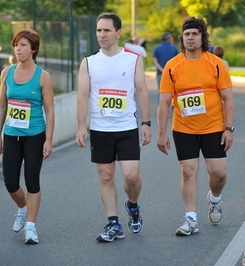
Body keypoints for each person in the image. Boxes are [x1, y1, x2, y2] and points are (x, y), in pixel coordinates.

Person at [75, 12, 151, 242]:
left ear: (118, 33)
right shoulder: (89, 62)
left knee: (131, 177)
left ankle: (133, 206)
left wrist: (146, 123)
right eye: (99, 30)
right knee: (106, 177)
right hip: (100, 129)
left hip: (126, 128)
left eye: (107, 30)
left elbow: (142, 91)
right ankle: (113, 223)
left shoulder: (133, 59)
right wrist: (81, 125)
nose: (102, 34)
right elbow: (83, 94)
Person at [157, 17, 235, 236]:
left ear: (202, 37)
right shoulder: (172, 66)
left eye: (194, 34)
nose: (190, 37)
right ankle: (191, 219)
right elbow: (163, 103)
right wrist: (161, 133)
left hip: (213, 127)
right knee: (188, 172)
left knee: (218, 173)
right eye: (187, 34)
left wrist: (229, 129)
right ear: (182, 38)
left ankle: (215, 199)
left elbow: (228, 99)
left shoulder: (215, 64)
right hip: (184, 128)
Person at [0, 29, 55, 244]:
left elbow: (49, 110)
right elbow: (2, 105)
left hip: (34, 135)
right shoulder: (6, 73)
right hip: (11, 134)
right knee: (10, 182)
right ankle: (22, 208)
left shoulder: (43, 76)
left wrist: (48, 140)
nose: (18, 49)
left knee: (32, 180)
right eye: (16, 45)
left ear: (33, 49)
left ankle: (31, 227)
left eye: (23, 45)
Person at [152, 32, 179, 103]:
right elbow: (178, 61)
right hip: (172, 74)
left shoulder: (157, 48)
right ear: (169, 39)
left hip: (160, 73)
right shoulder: (174, 48)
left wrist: (162, 69)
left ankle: (161, 110)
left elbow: (154, 61)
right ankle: (171, 109)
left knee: (161, 92)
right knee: (173, 92)